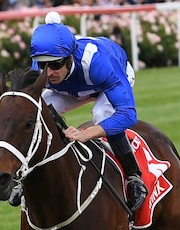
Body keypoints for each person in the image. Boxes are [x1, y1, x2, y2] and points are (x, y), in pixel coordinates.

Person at [11, 11, 148, 213]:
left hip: (107, 79)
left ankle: (134, 177)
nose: (48, 72)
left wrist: (86, 134)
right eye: (43, 65)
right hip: (71, 88)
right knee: (36, 113)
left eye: (56, 64)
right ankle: (25, 177)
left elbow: (128, 114)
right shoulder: (41, 67)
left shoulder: (99, 63)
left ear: (69, 58)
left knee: (101, 113)